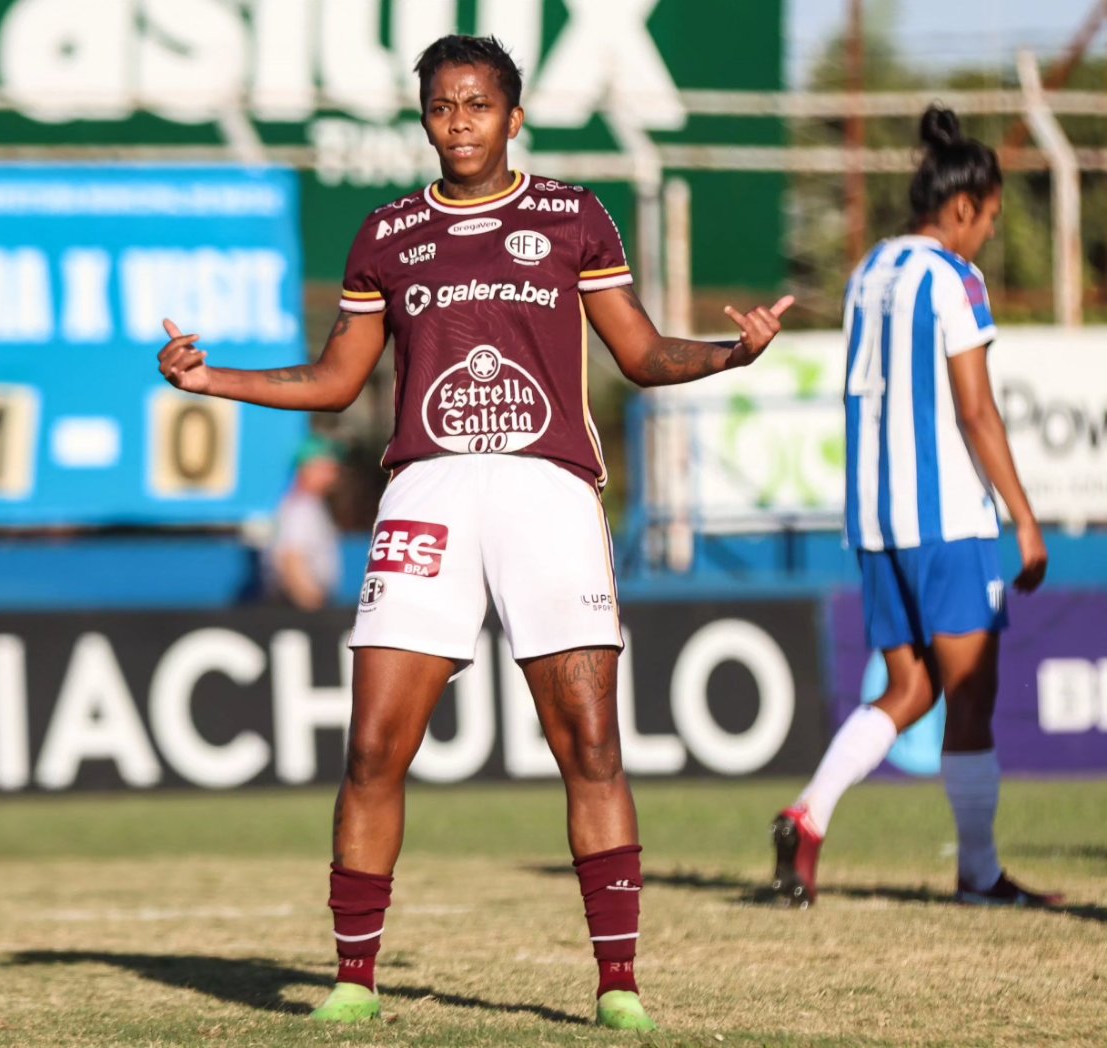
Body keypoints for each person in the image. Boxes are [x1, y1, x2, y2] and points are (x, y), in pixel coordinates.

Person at [158, 34, 791, 1030]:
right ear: (424, 117)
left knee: (588, 742)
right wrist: (212, 379)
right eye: (442, 107)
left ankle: (617, 983)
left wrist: (725, 354)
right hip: (427, 496)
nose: (459, 123)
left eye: (476, 105)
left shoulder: (572, 215)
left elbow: (634, 351)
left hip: (548, 491)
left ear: (512, 114)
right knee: (372, 747)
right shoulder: (387, 233)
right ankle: (353, 980)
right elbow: (333, 379)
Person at [770, 105, 1061, 910]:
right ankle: (979, 876)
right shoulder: (953, 277)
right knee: (970, 696)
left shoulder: (871, 270)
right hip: (947, 520)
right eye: (992, 218)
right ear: (963, 207)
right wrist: (1026, 517)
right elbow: (976, 411)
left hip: (874, 521)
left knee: (908, 690)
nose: (990, 235)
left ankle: (809, 812)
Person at [262, 434, 344, 611]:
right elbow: (291, 561)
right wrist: (314, 611)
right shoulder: (300, 508)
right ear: (307, 468)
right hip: (297, 608)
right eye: (327, 467)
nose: (333, 473)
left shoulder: (311, 505)